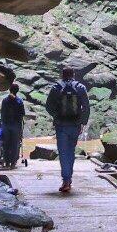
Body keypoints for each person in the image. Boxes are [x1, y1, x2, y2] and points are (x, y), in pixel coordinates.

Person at [43, 65, 90, 194]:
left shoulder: (56, 87)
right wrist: (82, 122)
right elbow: (86, 106)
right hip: (75, 124)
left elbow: (48, 105)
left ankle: (66, 180)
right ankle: (68, 178)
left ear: (62, 75)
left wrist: (56, 116)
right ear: (73, 74)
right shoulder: (80, 88)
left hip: (61, 125)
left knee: (63, 153)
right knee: (71, 151)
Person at [0, 86, 26, 169]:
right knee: (15, 143)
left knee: (6, 143)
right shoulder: (19, 101)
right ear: (17, 91)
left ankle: (7, 161)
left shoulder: (5, 100)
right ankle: (13, 162)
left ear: (9, 90)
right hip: (16, 125)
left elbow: (2, 112)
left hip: (6, 125)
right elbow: (22, 113)